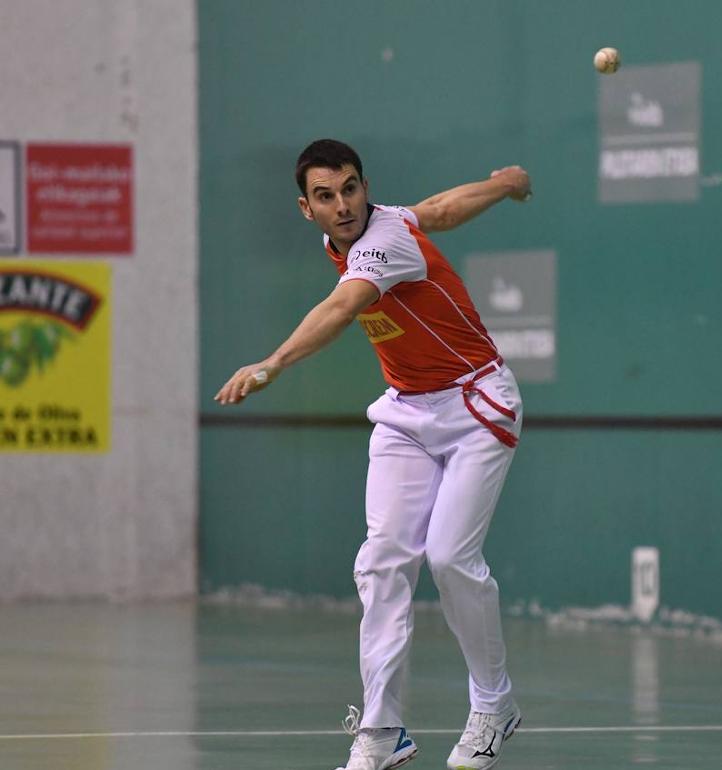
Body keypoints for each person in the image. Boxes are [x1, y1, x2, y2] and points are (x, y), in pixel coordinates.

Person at [215, 139, 532, 770]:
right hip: (407, 413)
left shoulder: (379, 242)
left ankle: (494, 704)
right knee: (382, 563)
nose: (343, 205)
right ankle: (383, 733)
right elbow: (437, 210)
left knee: (448, 556)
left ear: (365, 186)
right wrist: (501, 184)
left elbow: (343, 306)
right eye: (326, 196)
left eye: (351, 188)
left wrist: (273, 363)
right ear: (306, 209)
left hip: (474, 405)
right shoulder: (378, 228)